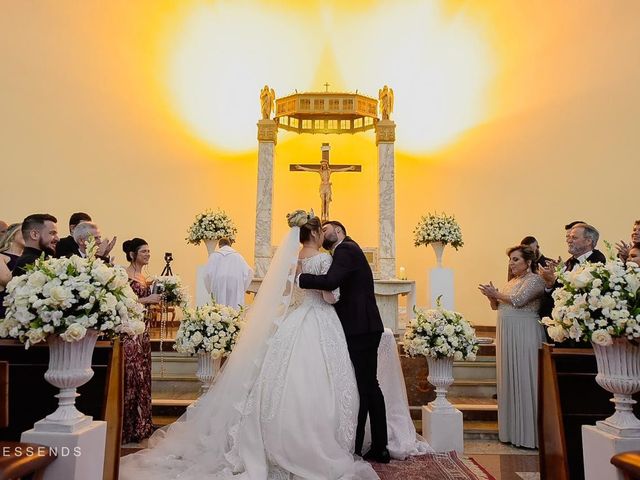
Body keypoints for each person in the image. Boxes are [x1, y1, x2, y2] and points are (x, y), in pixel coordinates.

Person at [120, 213, 427, 479]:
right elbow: (331, 295)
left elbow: (285, 295)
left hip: (293, 323)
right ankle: (332, 441)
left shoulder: (291, 262)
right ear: (317, 233)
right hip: (321, 321)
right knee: (328, 383)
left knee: (279, 381)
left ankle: (274, 440)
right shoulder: (323, 259)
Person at [298, 220, 390, 463]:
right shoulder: (340, 251)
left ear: (338, 231)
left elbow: (330, 282)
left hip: (361, 329)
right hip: (359, 327)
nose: (322, 232)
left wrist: (299, 279)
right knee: (365, 386)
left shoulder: (347, 249)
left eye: (326, 229)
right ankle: (368, 445)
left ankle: (374, 446)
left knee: (367, 386)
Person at [479, 245, 545, 448]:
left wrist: (496, 293)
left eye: (516, 259)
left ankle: (529, 435)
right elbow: (497, 305)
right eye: (510, 260)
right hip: (508, 333)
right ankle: (512, 432)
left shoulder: (535, 280)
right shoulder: (512, 282)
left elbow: (519, 300)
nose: (511, 263)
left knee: (525, 378)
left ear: (529, 262)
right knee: (510, 378)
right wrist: (492, 296)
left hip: (524, 333)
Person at [121, 238, 162, 444]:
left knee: (144, 375)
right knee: (132, 377)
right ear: (132, 254)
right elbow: (123, 301)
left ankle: (142, 424)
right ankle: (128, 426)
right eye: (144, 251)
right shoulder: (124, 275)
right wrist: (147, 300)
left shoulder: (144, 277)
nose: (148, 254)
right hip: (131, 333)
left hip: (144, 332)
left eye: (149, 251)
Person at [538, 223, 607, 322]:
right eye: (569, 237)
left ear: (588, 241)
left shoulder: (598, 263)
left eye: (574, 238)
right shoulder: (568, 264)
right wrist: (549, 284)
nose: (569, 241)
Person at [203, 237, 253, 308]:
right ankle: (233, 318)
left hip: (219, 282)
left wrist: (210, 288)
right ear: (230, 245)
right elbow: (249, 272)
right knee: (233, 306)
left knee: (219, 306)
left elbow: (207, 274)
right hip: (234, 283)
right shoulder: (238, 256)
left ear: (219, 245)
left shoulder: (214, 255)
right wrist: (242, 287)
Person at [0, 223, 25, 317]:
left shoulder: (32, 258)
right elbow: (6, 281)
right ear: (13, 234)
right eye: (23, 231)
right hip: (6, 308)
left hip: (24, 309)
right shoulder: (1, 257)